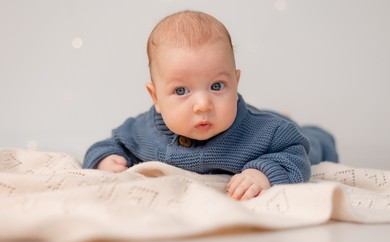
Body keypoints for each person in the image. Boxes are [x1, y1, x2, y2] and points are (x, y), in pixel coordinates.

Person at [83, 11, 338, 200]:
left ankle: (307, 128)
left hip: (262, 121)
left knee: (310, 142)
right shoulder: (142, 131)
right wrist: (105, 160)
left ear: (236, 83)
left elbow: (295, 154)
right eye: (181, 91)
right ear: (156, 98)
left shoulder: (266, 133)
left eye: (217, 86)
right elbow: (109, 145)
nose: (203, 105)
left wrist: (263, 174)